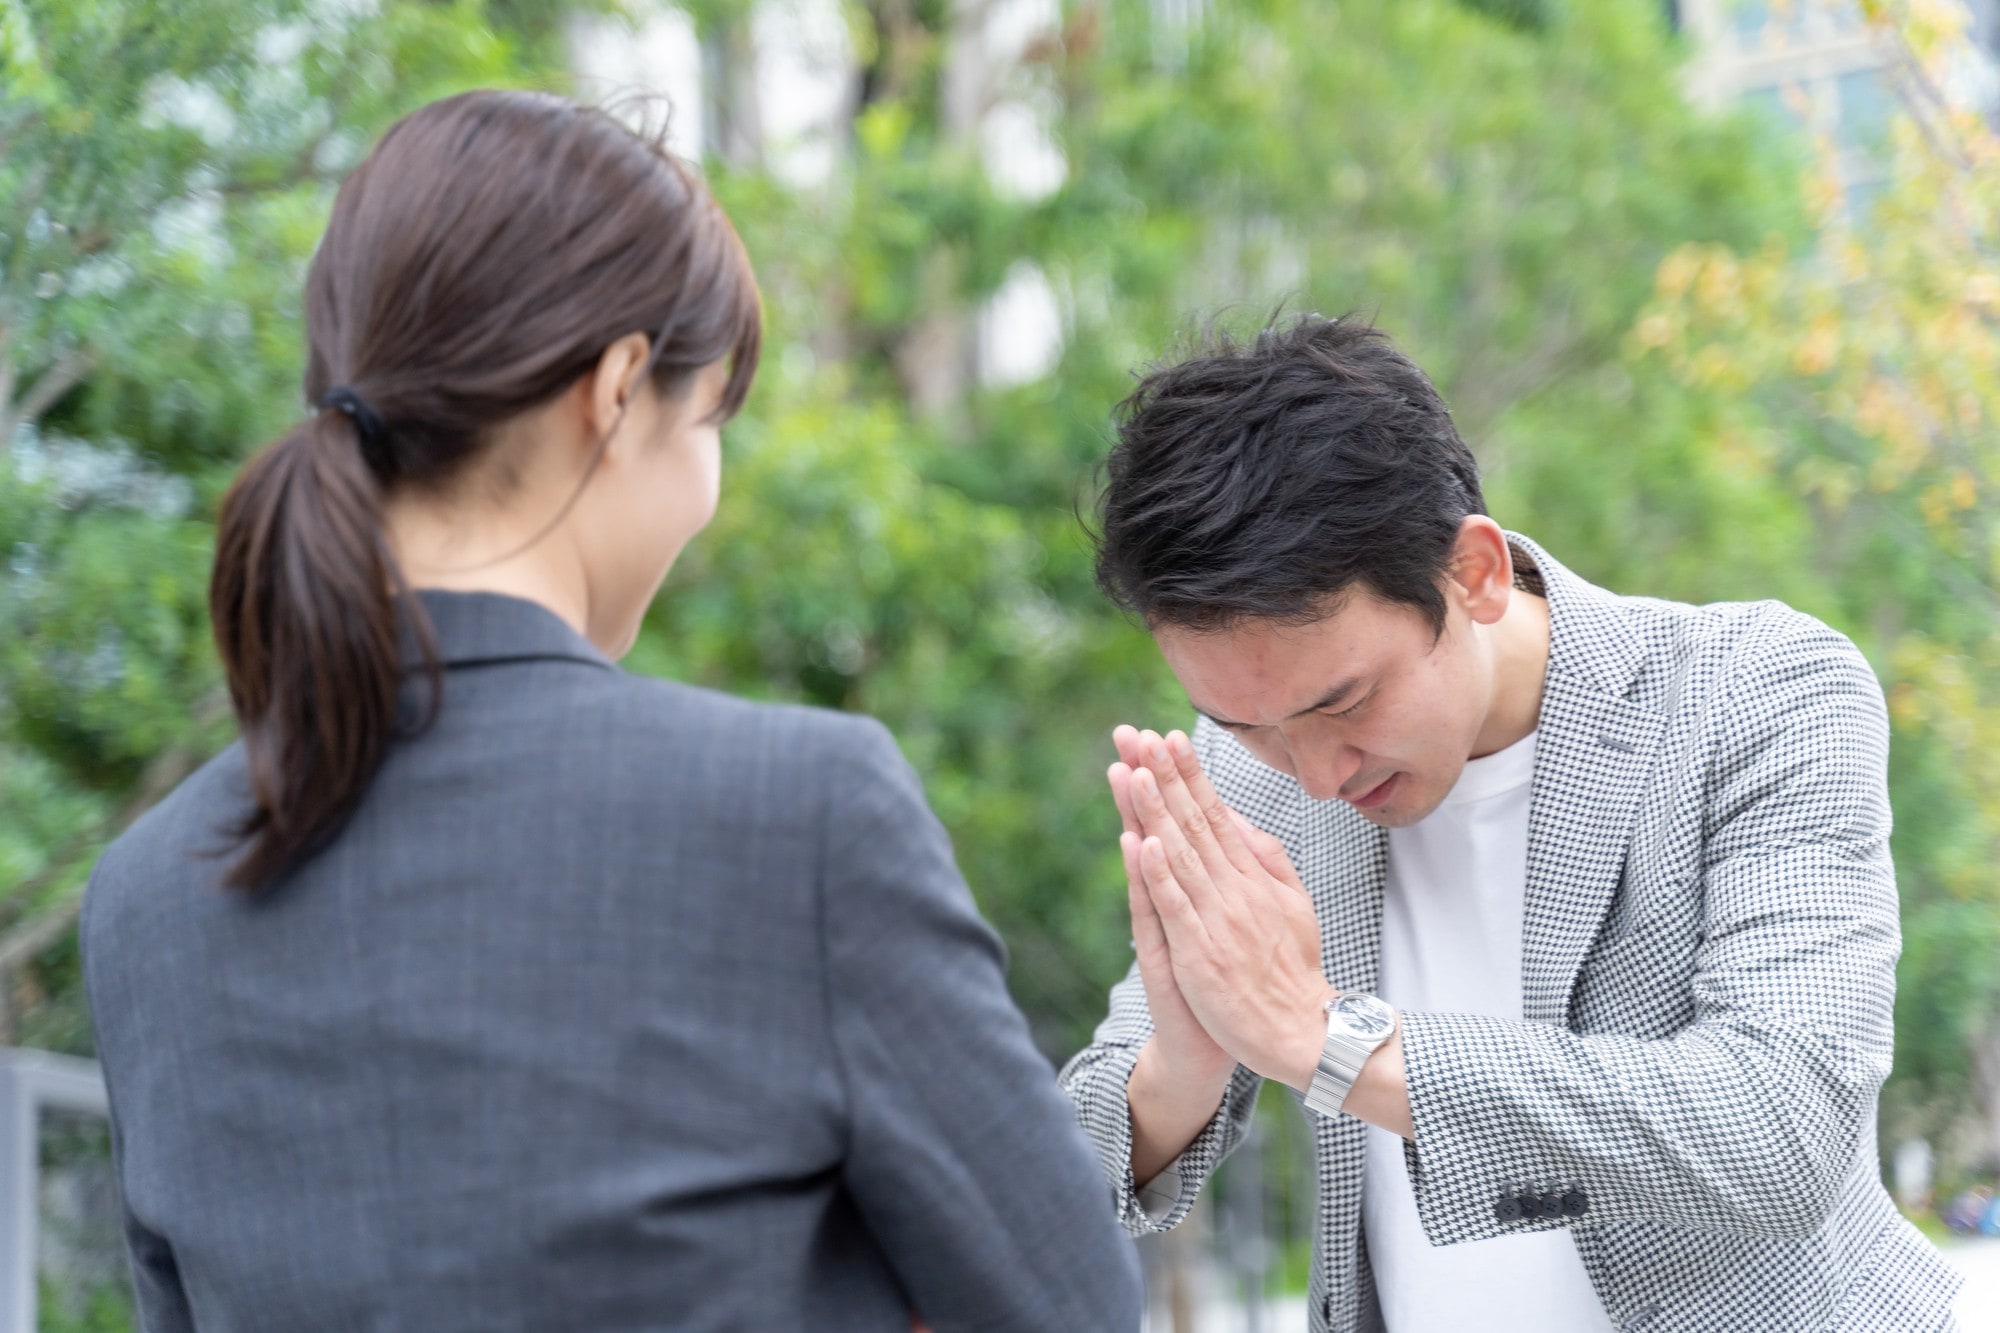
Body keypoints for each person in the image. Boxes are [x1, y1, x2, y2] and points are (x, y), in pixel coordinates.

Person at [80, 89, 1140, 1333]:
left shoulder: (149, 892)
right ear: (619, 388)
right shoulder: (799, 817)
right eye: (710, 421)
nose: (707, 481)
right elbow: (1068, 1307)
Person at [1059, 314, 1964, 1332]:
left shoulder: (1754, 694)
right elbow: (1065, 1183)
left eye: (1342, 703)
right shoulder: (1240, 772)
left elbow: (1780, 1124)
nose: (1312, 775)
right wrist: (1181, 1062)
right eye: (1245, 722)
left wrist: (1329, 1040)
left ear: (1474, 574)